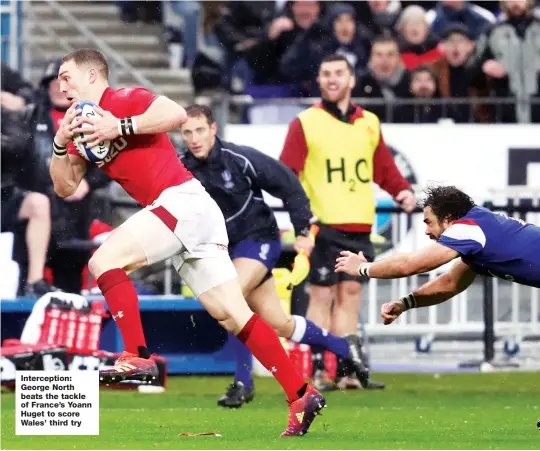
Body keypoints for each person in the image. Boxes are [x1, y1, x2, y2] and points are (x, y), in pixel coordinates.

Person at [50, 48, 325, 436]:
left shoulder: (124, 99)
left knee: (103, 262)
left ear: (93, 76)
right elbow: (64, 186)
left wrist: (119, 127)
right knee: (232, 314)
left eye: (66, 77)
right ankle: (301, 393)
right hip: (189, 215)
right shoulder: (79, 128)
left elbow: (176, 114)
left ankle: (138, 357)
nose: (60, 87)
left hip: (183, 202)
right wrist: (60, 144)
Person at [180, 104, 370, 408]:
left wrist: (303, 231)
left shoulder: (239, 158)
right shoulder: (181, 168)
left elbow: (289, 184)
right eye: (187, 132)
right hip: (224, 250)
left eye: (200, 129)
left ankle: (243, 382)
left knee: (230, 298)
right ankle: (345, 347)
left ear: (213, 129)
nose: (194, 138)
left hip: (258, 240)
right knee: (280, 324)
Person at [280, 54, 416, 391]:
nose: (332, 79)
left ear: (351, 80)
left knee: (350, 296)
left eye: (339, 73)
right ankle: (315, 371)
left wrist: (402, 191)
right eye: (326, 73)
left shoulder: (369, 121)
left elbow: (383, 165)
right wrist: (301, 220)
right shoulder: (305, 122)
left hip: (358, 223)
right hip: (323, 223)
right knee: (321, 297)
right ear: (320, 80)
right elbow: (287, 174)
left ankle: (345, 371)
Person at [335, 185, 540, 324]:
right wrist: (405, 303)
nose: (426, 231)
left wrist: (363, 268)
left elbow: (410, 264)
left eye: (428, 222)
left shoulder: (466, 229)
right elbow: (450, 283)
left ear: (449, 219)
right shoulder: (477, 233)